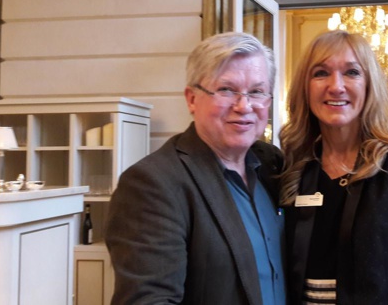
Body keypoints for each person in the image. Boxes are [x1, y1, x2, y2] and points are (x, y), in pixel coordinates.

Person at [105, 32, 285, 304]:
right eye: (226, 90)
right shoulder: (151, 184)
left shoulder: (272, 164)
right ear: (192, 99)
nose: (244, 106)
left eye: (257, 92)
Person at [279, 30, 388, 304]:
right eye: (321, 73)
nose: (336, 86)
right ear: (304, 87)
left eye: (352, 72)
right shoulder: (294, 167)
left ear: (370, 85)